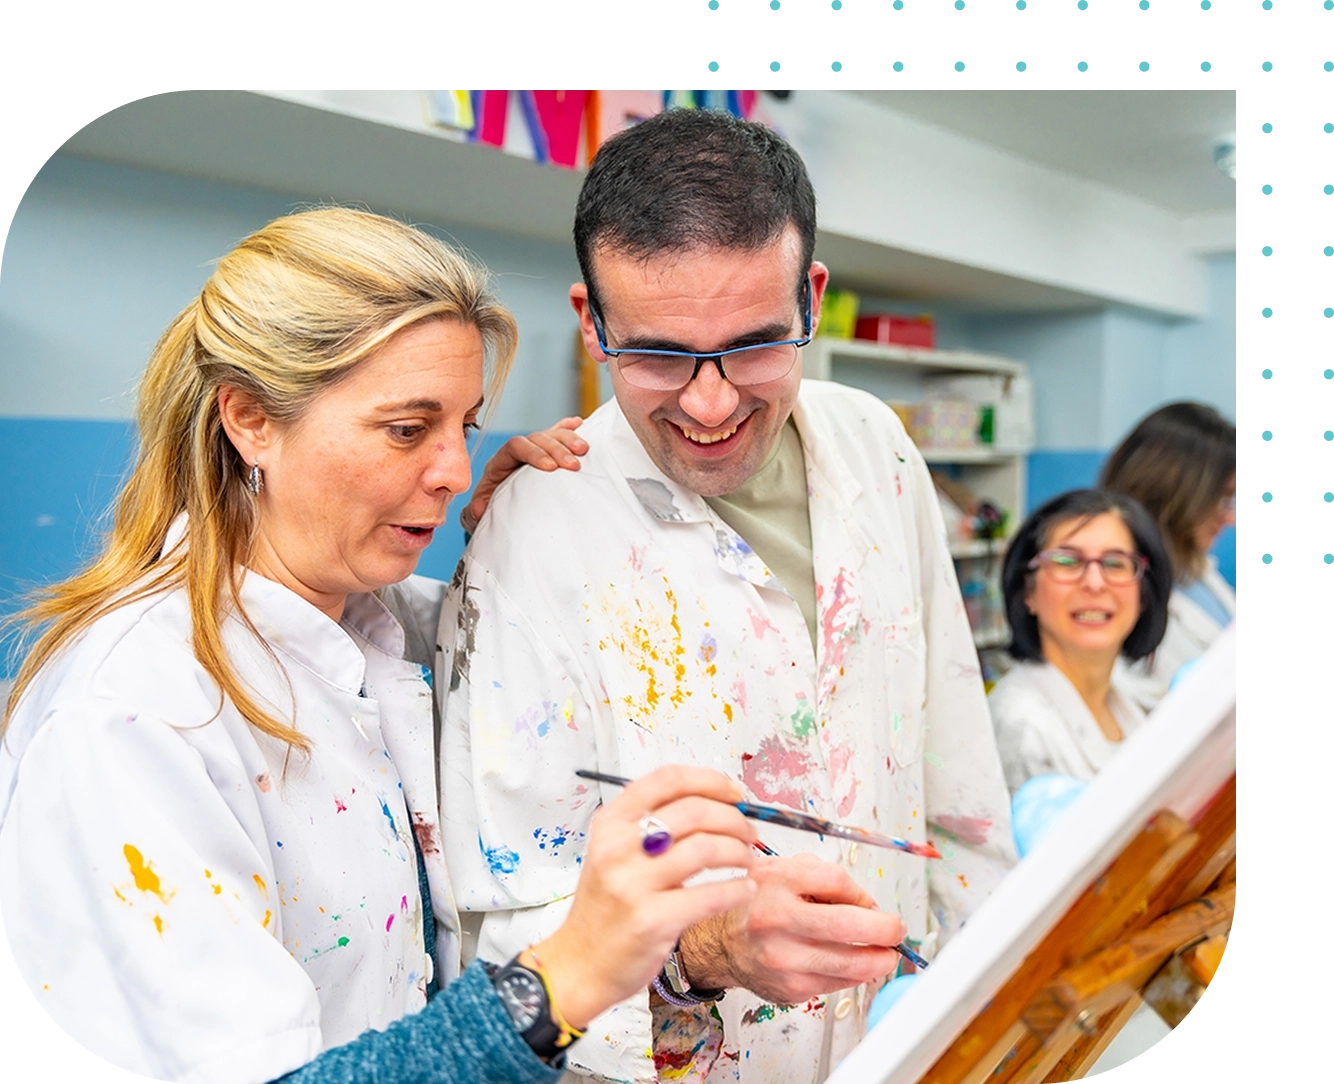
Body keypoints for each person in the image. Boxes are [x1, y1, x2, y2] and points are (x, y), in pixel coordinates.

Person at [0, 208, 766, 1084]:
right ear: (251, 420)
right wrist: (568, 975)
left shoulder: (375, 624)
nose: (453, 470)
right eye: (409, 429)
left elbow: (529, 659)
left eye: (465, 427)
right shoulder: (136, 713)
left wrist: (516, 541)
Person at [438, 109, 1016, 1083]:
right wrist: (698, 953)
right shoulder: (534, 531)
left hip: (913, 1040)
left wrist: (997, 997)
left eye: (752, 345)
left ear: (810, 299)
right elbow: (501, 920)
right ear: (591, 322)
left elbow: (954, 772)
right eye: (659, 354)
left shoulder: (875, 443)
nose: (709, 406)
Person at [988, 489, 1173, 794]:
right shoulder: (1021, 727)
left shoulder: (1129, 706)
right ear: (1028, 592)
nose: (1094, 583)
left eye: (1115, 564)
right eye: (1067, 561)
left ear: (1144, 594)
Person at [1098, 402, 1237, 711]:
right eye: (1221, 499)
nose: (1230, 518)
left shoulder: (1195, 572)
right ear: (1177, 493)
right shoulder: (1115, 594)